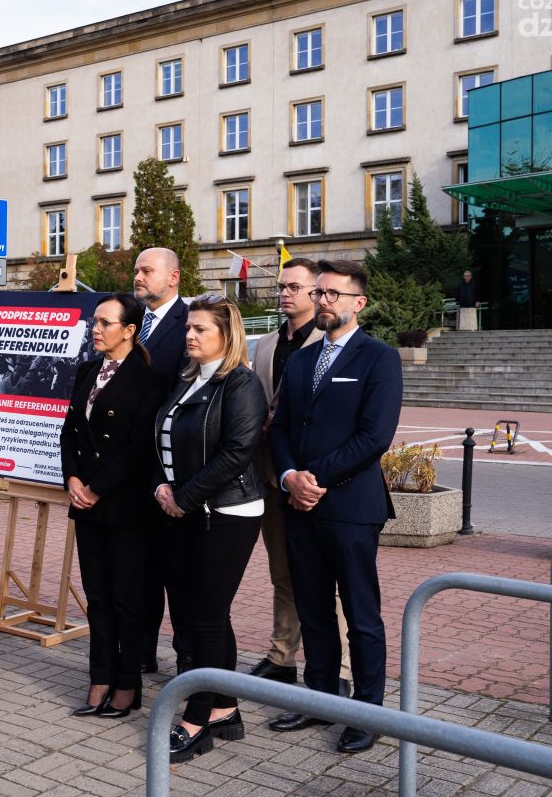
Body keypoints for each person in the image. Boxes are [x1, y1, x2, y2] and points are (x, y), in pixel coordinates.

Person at [267, 260, 403, 755]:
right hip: (298, 505)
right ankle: (320, 697)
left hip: (349, 507)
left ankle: (366, 712)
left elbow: (374, 437)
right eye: (319, 293)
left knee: (361, 614)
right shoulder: (302, 360)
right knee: (313, 609)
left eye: (331, 295)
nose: (322, 301)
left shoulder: (379, 358)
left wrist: (314, 478)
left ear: (357, 303)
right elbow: (279, 427)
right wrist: (288, 477)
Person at [152, 294, 268, 763]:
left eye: (201, 329)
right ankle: (225, 706)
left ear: (227, 334)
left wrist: (183, 495)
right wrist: (162, 487)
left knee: (205, 613)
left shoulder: (241, 383)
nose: (190, 335)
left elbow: (237, 451)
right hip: (185, 509)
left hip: (228, 512)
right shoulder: (185, 380)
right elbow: (161, 440)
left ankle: (197, 718)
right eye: (188, 328)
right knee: (206, 613)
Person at [60, 293, 166, 719]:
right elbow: (70, 431)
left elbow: (140, 447)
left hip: (124, 505)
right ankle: (98, 678)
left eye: (105, 323)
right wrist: (72, 478)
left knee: (126, 598)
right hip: (86, 501)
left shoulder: (149, 379)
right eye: (94, 322)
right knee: (97, 597)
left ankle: (127, 685)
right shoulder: (87, 369)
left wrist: (97, 487)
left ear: (129, 330)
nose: (95, 329)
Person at [249, 258, 352, 694]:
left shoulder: (329, 343)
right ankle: (281, 655)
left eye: (296, 287)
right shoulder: (268, 344)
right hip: (272, 475)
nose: (285, 293)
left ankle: (340, 670)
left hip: (317, 481)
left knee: (328, 578)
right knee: (282, 573)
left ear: (317, 293)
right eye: (282, 286)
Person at [132, 247, 192, 676]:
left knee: (179, 572)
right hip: (128, 469)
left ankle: (189, 659)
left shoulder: (191, 325)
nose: (137, 277)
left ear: (173, 278)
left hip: (171, 470)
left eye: (146, 270)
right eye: (136, 269)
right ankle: (140, 651)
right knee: (139, 569)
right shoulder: (129, 322)